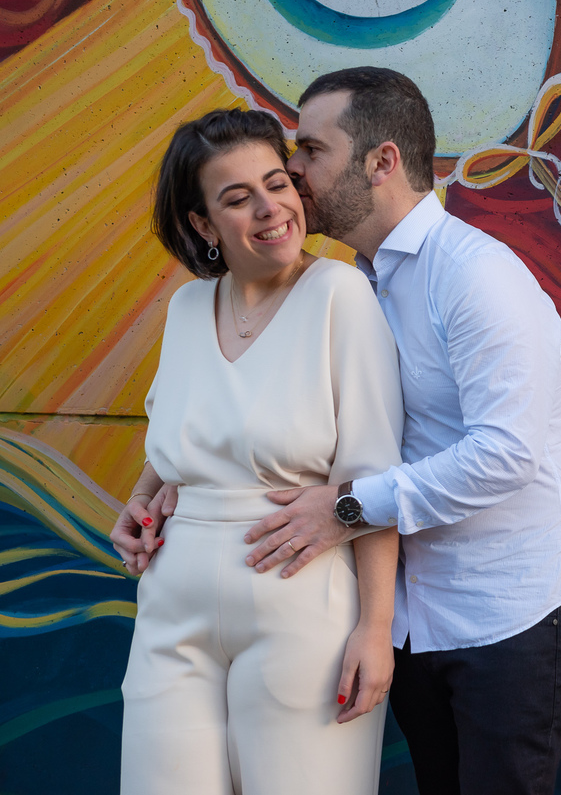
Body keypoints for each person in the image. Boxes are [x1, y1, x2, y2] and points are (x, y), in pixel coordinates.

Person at [233, 67, 561, 794]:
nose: (293, 171)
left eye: (310, 150)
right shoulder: (357, 284)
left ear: (383, 160)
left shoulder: (477, 275)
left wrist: (346, 507)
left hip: (510, 615)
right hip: (413, 616)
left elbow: (508, 453)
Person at [108, 108, 404, 795]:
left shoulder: (340, 295)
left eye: (277, 184)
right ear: (204, 224)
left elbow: (373, 473)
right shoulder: (186, 308)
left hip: (301, 604)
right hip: (170, 607)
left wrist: (377, 628)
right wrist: (143, 496)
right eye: (238, 198)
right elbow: (183, 436)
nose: (271, 209)